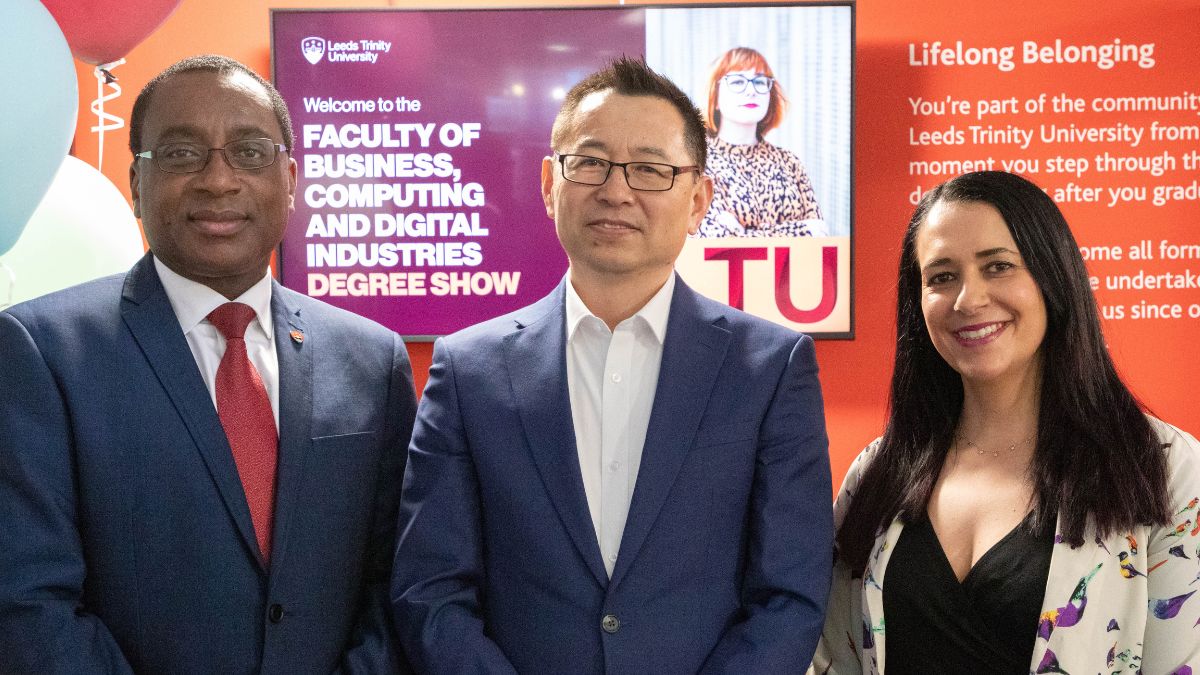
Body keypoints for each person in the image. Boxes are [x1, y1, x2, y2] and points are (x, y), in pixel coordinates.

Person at [391, 57, 833, 674]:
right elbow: (430, 590)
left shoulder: (769, 368)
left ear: (699, 200)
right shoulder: (469, 370)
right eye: (590, 162)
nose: (617, 191)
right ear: (550, 184)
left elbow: (789, 596)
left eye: (651, 169)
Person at [0, 55, 417, 674]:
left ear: (290, 179)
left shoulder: (372, 360)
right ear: (136, 183)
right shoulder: (42, 352)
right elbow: (29, 601)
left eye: (249, 152)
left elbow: (398, 581)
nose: (218, 180)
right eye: (180, 154)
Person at [812, 171, 1200, 675]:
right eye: (941, 277)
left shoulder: (1160, 468)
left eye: (997, 266)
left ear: (1053, 278)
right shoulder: (877, 474)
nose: (968, 299)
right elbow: (831, 659)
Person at [697, 47, 825, 238]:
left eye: (759, 81)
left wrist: (743, 233)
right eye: (737, 81)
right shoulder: (699, 161)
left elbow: (820, 236)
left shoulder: (789, 162)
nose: (751, 91)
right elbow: (716, 241)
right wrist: (802, 230)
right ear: (714, 97)